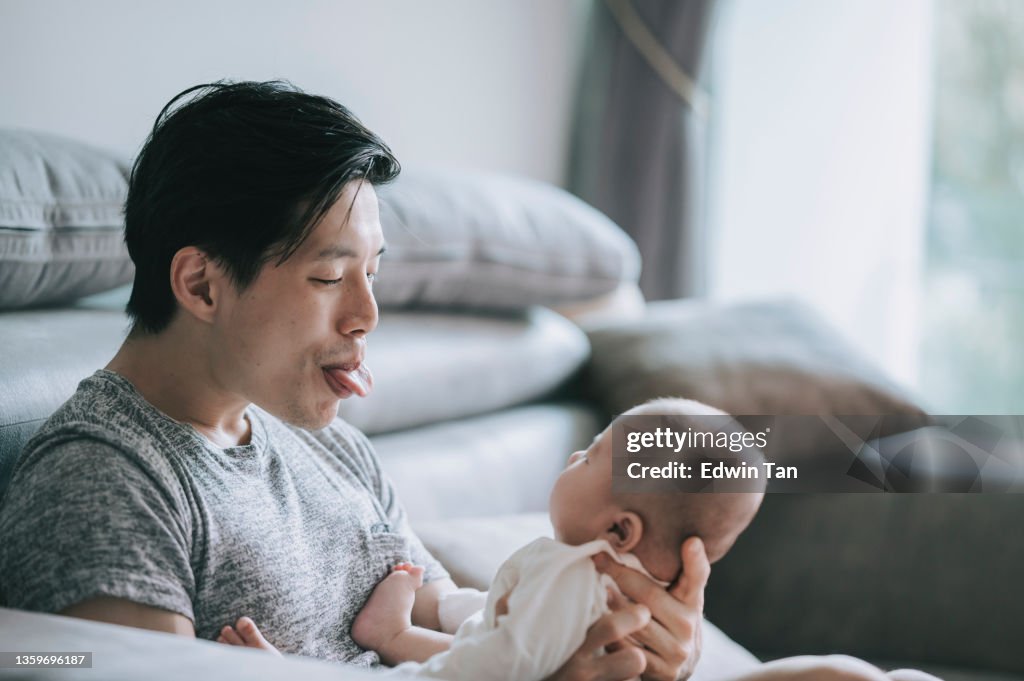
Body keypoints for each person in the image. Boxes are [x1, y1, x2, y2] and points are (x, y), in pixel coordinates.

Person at [0, 81, 704, 681]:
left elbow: (443, 610)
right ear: (201, 284)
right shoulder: (105, 483)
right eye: (329, 277)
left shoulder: (329, 443)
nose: (368, 314)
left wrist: (626, 639)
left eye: (372, 274)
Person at [217, 398, 767, 681]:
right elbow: (498, 625)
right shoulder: (582, 577)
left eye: (592, 454)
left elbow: (496, 663)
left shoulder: (578, 580)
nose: (574, 457)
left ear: (620, 529)